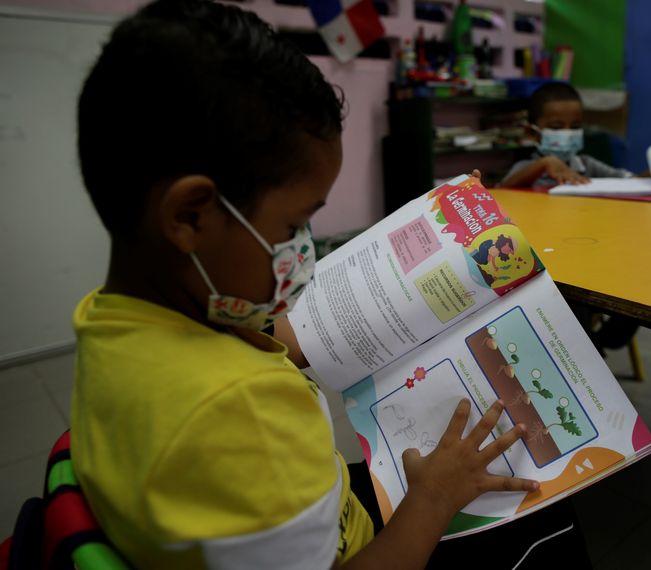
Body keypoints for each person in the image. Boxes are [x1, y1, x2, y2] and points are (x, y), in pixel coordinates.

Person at [71, 1, 589, 569]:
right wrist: (436, 498)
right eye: (292, 226)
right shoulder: (242, 412)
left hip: (319, 511)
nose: (303, 249)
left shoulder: (110, 318)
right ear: (191, 216)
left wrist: (269, 335)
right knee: (549, 516)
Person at [502, 82, 651, 189]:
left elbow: (632, 181)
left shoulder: (586, 165)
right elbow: (504, 189)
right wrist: (545, 163)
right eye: (557, 127)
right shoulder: (526, 168)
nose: (568, 133)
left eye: (575, 126)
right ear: (532, 133)